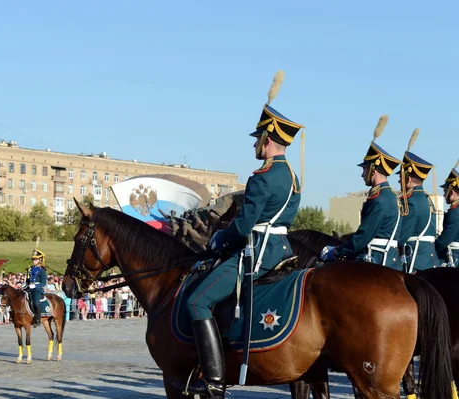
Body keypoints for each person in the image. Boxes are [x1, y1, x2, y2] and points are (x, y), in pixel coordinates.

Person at [179, 71, 303, 399]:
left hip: (257, 251)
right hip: (282, 247)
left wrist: (221, 238)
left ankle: (214, 381)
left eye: (257, 138)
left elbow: (245, 224)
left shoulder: (263, 177)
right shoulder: (291, 176)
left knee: (197, 300)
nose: (254, 144)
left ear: (268, 139)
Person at [321, 115, 402, 270]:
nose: (362, 174)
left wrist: (336, 253)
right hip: (391, 259)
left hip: (375, 259)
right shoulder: (390, 196)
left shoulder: (379, 199)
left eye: (364, 169)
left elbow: (363, 237)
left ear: (372, 169)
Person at [396, 129, 439, 272]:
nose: (398, 180)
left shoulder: (411, 201)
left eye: (400, 177)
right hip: (430, 259)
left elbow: (402, 237)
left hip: (416, 263)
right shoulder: (427, 199)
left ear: (407, 179)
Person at [435, 161, 459, 266]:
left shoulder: (455, 212)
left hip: (454, 256)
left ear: (452, 192)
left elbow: (444, 241)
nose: (444, 194)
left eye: (445, 191)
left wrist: (430, 249)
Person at [25, 248, 47, 327]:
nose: (33, 261)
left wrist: (35, 285)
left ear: (40, 260)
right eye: (33, 259)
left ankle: (37, 319)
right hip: (29, 288)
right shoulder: (30, 269)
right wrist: (25, 285)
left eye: (35, 259)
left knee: (36, 303)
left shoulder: (42, 270)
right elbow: (28, 280)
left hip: (37, 289)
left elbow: (43, 283)